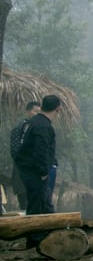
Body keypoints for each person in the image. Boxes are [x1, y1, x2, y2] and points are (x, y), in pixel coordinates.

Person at [13, 95, 61, 247]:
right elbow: (41, 150)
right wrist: (43, 171)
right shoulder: (43, 126)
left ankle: (49, 232)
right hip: (35, 171)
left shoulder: (34, 122)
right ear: (58, 108)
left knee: (43, 202)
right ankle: (35, 238)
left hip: (29, 169)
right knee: (37, 203)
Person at [9, 101, 41, 210]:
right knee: (24, 198)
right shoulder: (19, 128)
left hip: (35, 169)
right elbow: (14, 150)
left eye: (39, 112)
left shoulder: (39, 128)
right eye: (35, 111)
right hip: (21, 168)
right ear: (28, 112)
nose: (37, 114)